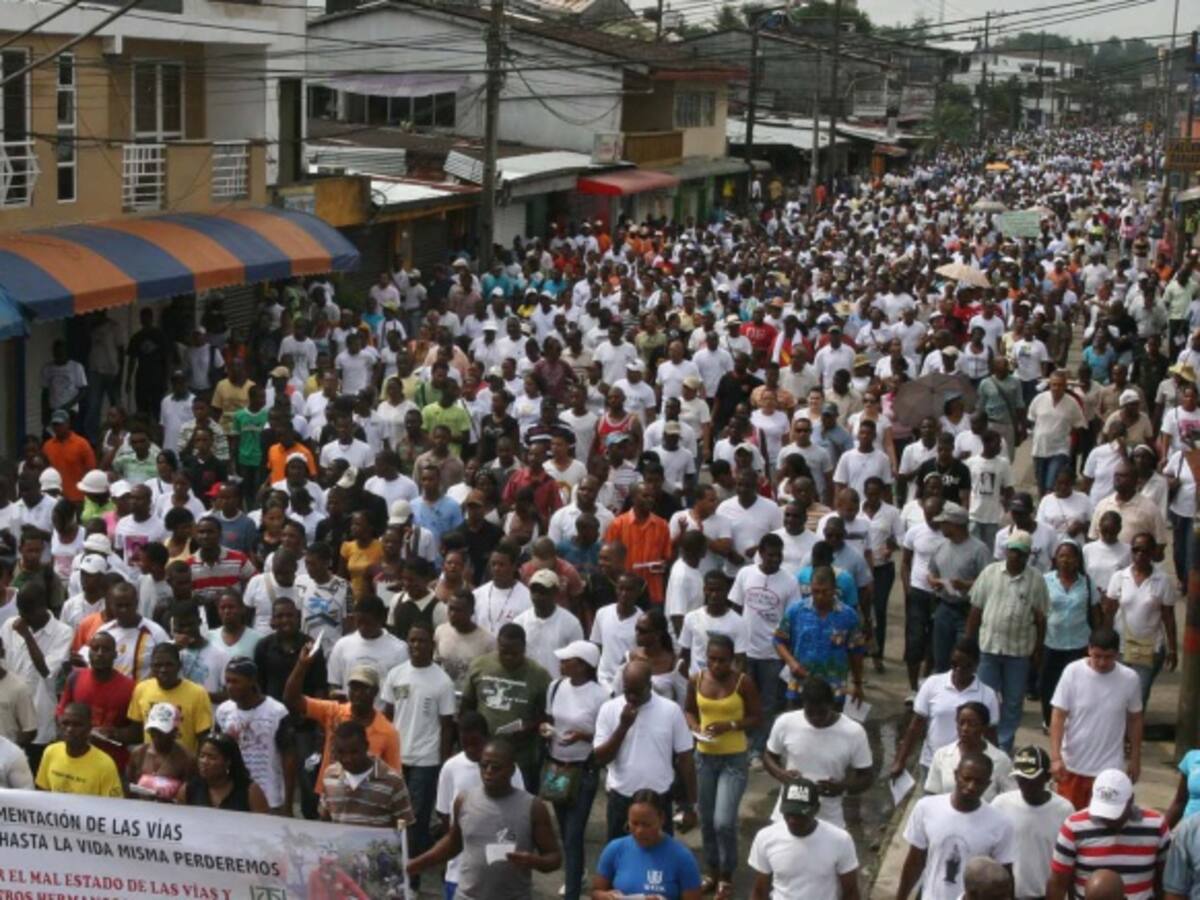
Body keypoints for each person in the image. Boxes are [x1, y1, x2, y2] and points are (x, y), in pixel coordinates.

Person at [408, 737, 562, 897]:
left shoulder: (533, 807)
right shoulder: (464, 800)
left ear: (511, 769)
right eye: (484, 765)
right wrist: (417, 864)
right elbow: (453, 844)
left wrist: (534, 861)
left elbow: (554, 858)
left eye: (496, 767)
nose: (488, 771)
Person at [684, 634, 762, 898]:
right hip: (704, 757)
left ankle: (727, 873)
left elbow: (756, 716)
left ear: (733, 660)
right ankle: (712, 870)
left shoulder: (743, 682)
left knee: (723, 822)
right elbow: (689, 709)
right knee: (706, 820)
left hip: (734, 759)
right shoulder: (696, 679)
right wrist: (694, 727)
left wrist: (730, 725)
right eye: (712, 660)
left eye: (723, 661)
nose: (716, 666)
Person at [594, 658, 698, 842]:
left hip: (659, 800)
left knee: (659, 860)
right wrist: (623, 727)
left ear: (649, 685)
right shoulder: (608, 709)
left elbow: (685, 759)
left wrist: (690, 805)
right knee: (621, 860)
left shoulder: (671, 710)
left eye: (637, 692)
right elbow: (600, 758)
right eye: (627, 691)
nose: (632, 697)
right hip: (621, 799)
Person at [380, 620, 456, 863]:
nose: (416, 645)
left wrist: (443, 762)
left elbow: (447, 726)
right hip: (396, 757)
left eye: (422, 641)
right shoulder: (396, 674)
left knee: (415, 817)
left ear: (431, 645)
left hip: (426, 759)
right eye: (412, 640)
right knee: (392, 812)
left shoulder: (442, 681)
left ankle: (412, 874)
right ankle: (395, 861)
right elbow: (387, 715)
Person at [966, 530, 1049, 753]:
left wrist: (1038, 649)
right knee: (985, 699)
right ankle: (983, 743)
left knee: (1012, 702)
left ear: (1028, 555)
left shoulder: (1036, 580)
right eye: (1013, 551)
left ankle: (1003, 745)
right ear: (1006, 551)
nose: (1016, 557)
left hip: (1019, 652)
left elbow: (1041, 618)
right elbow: (976, 609)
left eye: (1021, 553)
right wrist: (968, 642)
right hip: (989, 648)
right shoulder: (990, 573)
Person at [895, 752, 1015, 900]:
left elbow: (1005, 878)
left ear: (988, 784)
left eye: (979, 782)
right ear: (956, 775)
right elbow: (915, 861)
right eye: (967, 778)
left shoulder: (1001, 824)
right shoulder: (927, 808)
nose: (971, 786)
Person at [284, 646, 400, 795]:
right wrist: (302, 665)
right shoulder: (334, 712)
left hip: (367, 803)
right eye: (353, 687)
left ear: (375, 691)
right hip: (331, 797)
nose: (357, 693)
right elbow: (291, 700)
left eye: (364, 688)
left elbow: (395, 778)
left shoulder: (388, 731)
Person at [1049, 627, 1143, 811]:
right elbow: (1058, 715)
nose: (1101, 662)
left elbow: (1135, 719)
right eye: (1097, 655)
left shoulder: (1130, 679)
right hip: (1072, 766)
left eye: (1108, 657)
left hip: (1109, 769)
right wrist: (1055, 757)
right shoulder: (1072, 672)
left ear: (1117, 654)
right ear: (1089, 649)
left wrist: (1135, 758)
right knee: (1069, 820)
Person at [764, 676, 872, 828]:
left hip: (829, 821)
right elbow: (769, 755)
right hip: (787, 818)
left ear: (832, 704)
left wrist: (842, 787)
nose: (816, 718)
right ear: (803, 705)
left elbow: (866, 776)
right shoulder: (785, 723)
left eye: (822, 712)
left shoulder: (854, 732)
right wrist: (780, 774)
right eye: (810, 713)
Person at [1047, 768, 1170, 900]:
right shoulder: (1073, 827)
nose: (1108, 819)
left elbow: (1166, 880)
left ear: (1131, 800)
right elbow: (1058, 884)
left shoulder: (1156, 826)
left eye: (1114, 813)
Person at [891, 637, 1000, 780]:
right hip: (931, 764)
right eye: (954, 664)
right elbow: (915, 726)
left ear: (976, 665)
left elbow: (991, 736)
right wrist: (900, 760)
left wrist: (996, 767)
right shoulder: (933, 684)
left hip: (967, 770)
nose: (958, 670)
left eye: (965, 665)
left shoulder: (988, 695)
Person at [461, 622, 551, 791]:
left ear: (524, 648)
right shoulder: (480, 666)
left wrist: (529, 727)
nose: (509, 657)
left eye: (514, 653)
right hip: (485, 754)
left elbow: (546, 715)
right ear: (498, 645)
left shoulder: (540, 675)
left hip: (522, 757)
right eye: (504, 652)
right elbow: (467, 706)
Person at [748, 777, 861, 900]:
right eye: (789, 813)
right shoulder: (765, 838)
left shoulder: (840, 840)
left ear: (816, 809)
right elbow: (759, 891)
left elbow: (851, 891)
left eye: (799, 815)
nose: (792, 820)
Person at [1104, 530, 1178, 706]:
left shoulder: (1163, 580)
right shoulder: (1119, 577)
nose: (1140, 554)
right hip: (1122, 647)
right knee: (1117, 694)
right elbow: (1110, 612)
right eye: (1136, 550)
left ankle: (1132, 730)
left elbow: (1168, 617)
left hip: (1150, 648)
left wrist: (1173, 649)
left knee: (1139, 695)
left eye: (1145, 550)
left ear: (1153, 552)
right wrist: (1104, 642)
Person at [993, 746, 1075, 900]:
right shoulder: (1000, 804)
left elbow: (1069, 862)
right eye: (1020, 778)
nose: (1024, 784)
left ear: (1046, 776)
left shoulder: (1064, 810)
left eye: (1030, 778)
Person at [775, 566, 865, 706]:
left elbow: (856, 652)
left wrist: (857, 683)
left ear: (835, 589)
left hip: (834, 690)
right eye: (816, 591)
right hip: (801, 686)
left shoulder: (848, 616)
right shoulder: (796, 611)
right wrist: (792, 663)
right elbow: (779, 640)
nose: (820, 596)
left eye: (825, 592)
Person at [214, 656, 294, 814]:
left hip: (269, 796)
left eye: (235, 681)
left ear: (252, 681)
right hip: (234, 796)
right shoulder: (223, 711)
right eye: (227, 681)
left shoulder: (276, 712)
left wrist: (288, 803)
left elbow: (289, 758)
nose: (229, 686)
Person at [592, 789, 702, 900]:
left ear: (661, 819)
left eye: (646, 825)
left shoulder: (682, 857)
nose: (639, 830)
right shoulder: (615, 849)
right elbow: (596, 892)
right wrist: (606, 896)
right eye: (634, 823)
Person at [1041, 539, 1099, 729]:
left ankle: (1074, 722)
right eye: (1062, 556)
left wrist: (1097, 642)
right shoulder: (1045, 580)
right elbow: (1038, 612)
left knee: (1077, 686)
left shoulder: (1087, 583)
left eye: (1071, 556)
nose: (1066, 560)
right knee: (1049, 684)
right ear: (1055, 559)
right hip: (1051, 643)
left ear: (1078, 560)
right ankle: (1050, 721)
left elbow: (1096, 612)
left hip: (1079, 643)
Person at [319, 720, 417, 829]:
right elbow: (325, 818)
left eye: (354, 752)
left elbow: (404, 825)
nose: (348, 759)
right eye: (341, 752)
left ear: (366, 746)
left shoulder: (393, 781)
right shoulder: (329, 776)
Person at [127, 642, 213, 753]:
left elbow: (203, 737)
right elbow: (136, 732)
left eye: (169, 664)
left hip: (183, 765)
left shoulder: (198, 693)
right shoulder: (142, 689)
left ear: (179, 665)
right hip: (152, 763)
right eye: (158, 665)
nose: (163, 669)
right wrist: (113, 733)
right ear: (151, 666)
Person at [924, 702, 1015, 803]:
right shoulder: (942, 755)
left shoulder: (1000, 760)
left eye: (972, 724)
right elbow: (932, 793)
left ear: (984, 727)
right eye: (961, 723)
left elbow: (1010, 797)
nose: (965, 728)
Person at [35, 702, 123, 797]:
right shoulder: (51, 751)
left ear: (89, 728)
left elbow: (112, 805)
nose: (69, 729)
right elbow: (42, 790)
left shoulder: (105, 764)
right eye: (65, 723)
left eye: (77, 725)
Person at [180, 732, 270, 812]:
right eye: (202, 756)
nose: (204, 761)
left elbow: (263, 826)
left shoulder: (250, 792)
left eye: (212, 757)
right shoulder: (188, 790)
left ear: (227, 762)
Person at [126, 702, 195, 802]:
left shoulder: (186, 759)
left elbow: (190, 795)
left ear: (174, 731)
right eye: (153, 730)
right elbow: (128, 787)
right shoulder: (139, 753)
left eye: (162, 731)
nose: (157, 736)